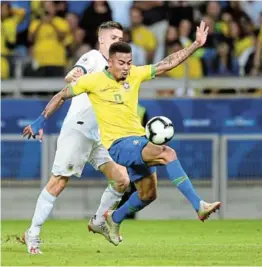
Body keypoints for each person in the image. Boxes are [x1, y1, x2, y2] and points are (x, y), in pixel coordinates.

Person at [23, 21, 221, 247]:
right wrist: (40, 120)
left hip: (125, 138)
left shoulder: (135, 74)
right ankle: (199, 206)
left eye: (129, 62)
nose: (126, 67)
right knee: (167, 153)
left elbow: (166, 64)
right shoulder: (93, 73)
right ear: (108, 56)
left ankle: (111, 219)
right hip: (112, 142)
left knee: (146, 193)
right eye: (121, 62)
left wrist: (195, 44)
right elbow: (64, 91)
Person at [21, 21, 130, 255]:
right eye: (114, 38)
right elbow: (75, 74)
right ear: (102, 40)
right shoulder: (93, 58)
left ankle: (99, 221)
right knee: (59, 182)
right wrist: (74, 75)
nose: (119, 42)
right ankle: (33, 232)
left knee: (121, 179)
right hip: (79, 129)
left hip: (100, 135)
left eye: (121, 38)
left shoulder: (121, 69)